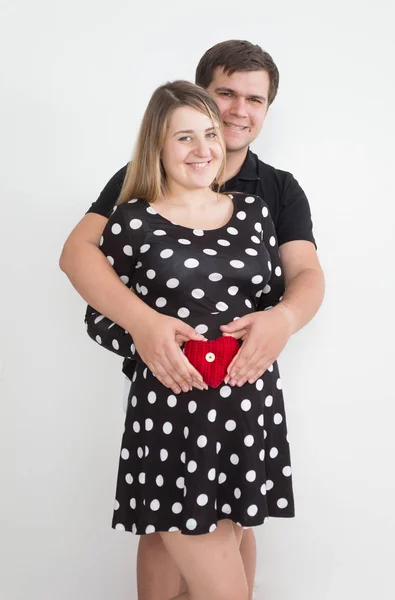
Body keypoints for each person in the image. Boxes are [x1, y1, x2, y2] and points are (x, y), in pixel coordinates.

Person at [60, 40, 325, 600]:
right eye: (224, 93)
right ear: (200, 97)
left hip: (244, 397)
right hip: (175, 402)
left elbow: (305, 274)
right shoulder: (141, 185)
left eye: (254, 99)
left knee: (216, 530)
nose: (236, 111)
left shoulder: (271, 193)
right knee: (182, 537)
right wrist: (141, 322)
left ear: (267, 110)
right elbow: (80, 254)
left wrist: (284, 318)